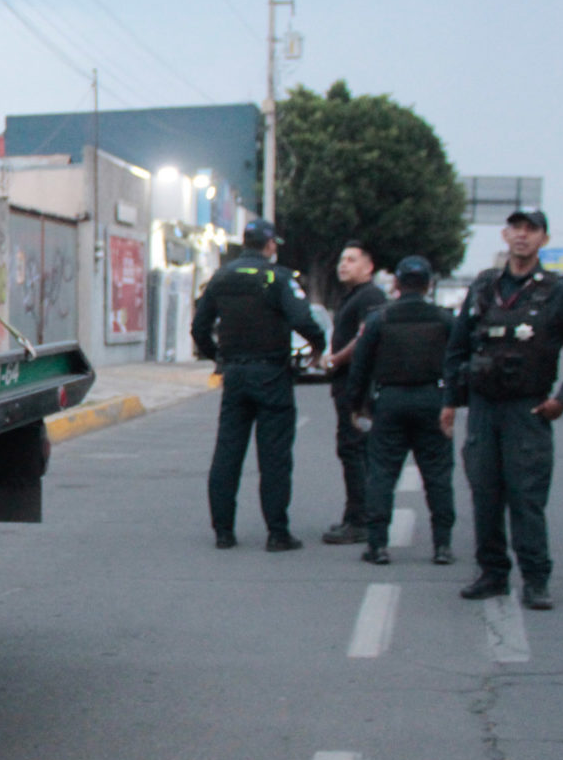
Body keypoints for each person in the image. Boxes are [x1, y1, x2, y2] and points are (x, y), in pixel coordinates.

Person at [442, 209, 563, 610]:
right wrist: (450, 403)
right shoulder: (484, 286)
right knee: (485, 494)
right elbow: (457, 348)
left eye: (532, 230)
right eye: (517, 229)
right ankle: (492, 573)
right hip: (483, 407)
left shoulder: (559, 290)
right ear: (505, 235)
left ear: (543, 238)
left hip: (528, 409)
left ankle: (535, 579)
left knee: (526, 496)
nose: (522, 236)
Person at [191, 218, 326, 551]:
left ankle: (223, 531)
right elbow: (302, 319)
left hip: (235, 374)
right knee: (275, 457)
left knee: (227, 452)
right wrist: (319, 346)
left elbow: (199, 328)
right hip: (271, 374)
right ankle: (277, 533)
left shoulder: (220, 278)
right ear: (269, 246)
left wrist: (219, 357)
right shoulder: (276, 278)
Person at [345, 255, 456, 566]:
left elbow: (361, 367)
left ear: (396, 283)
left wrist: (356, 405)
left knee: (381, 474)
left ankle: (378, 545)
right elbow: (459, 362)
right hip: (432, 400)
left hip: (390, 402)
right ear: (429, 285)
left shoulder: (380, 319)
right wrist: (452, 401)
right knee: (437, 474)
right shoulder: (445, 320)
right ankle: (442, 545)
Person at [321, 239, 388, 545]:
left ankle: (361, 519)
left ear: (368, 266)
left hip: (359, 387)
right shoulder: (354, 296)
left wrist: (335, 359)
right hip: (347, 384)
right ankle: (356, 515)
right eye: (342, 260)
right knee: (351, 450)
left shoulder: (371, 296)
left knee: (357, 450)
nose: (343, 265)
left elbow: (365, 337)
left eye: (351, 259)